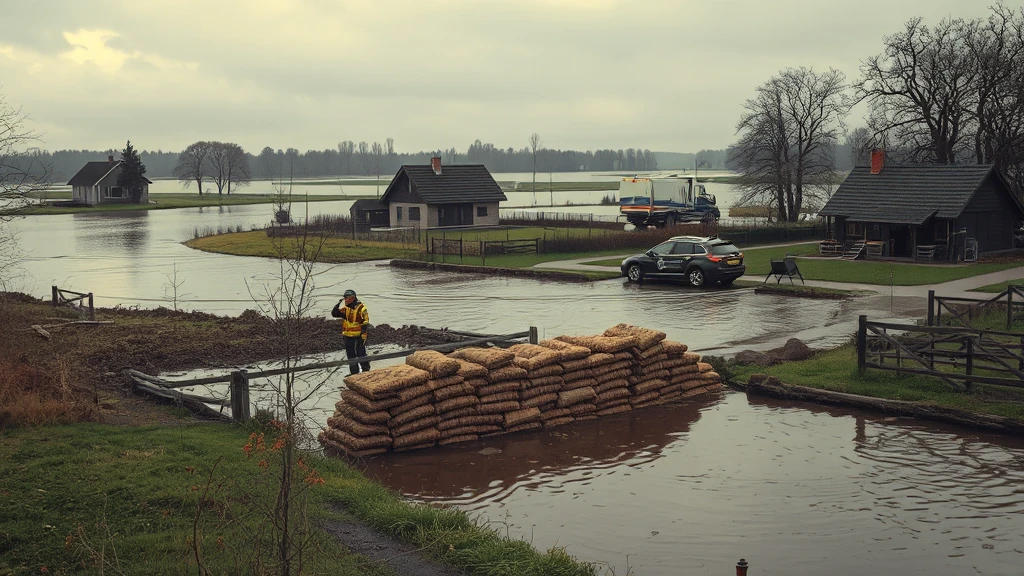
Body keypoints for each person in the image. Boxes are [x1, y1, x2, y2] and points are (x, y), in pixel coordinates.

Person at [331, 289, 370, 375]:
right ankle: (354, 374)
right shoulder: (346, 309)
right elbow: (335, 314)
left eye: (346, 298)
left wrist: (363, 335)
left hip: (359, 336)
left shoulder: (361, 308)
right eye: (344, 298)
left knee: (361, 354)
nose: (345, 300)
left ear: (352, 298)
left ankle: (366, 372)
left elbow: (365, 322)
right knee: (351, 356)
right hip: (348, 336)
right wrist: (337, 305)